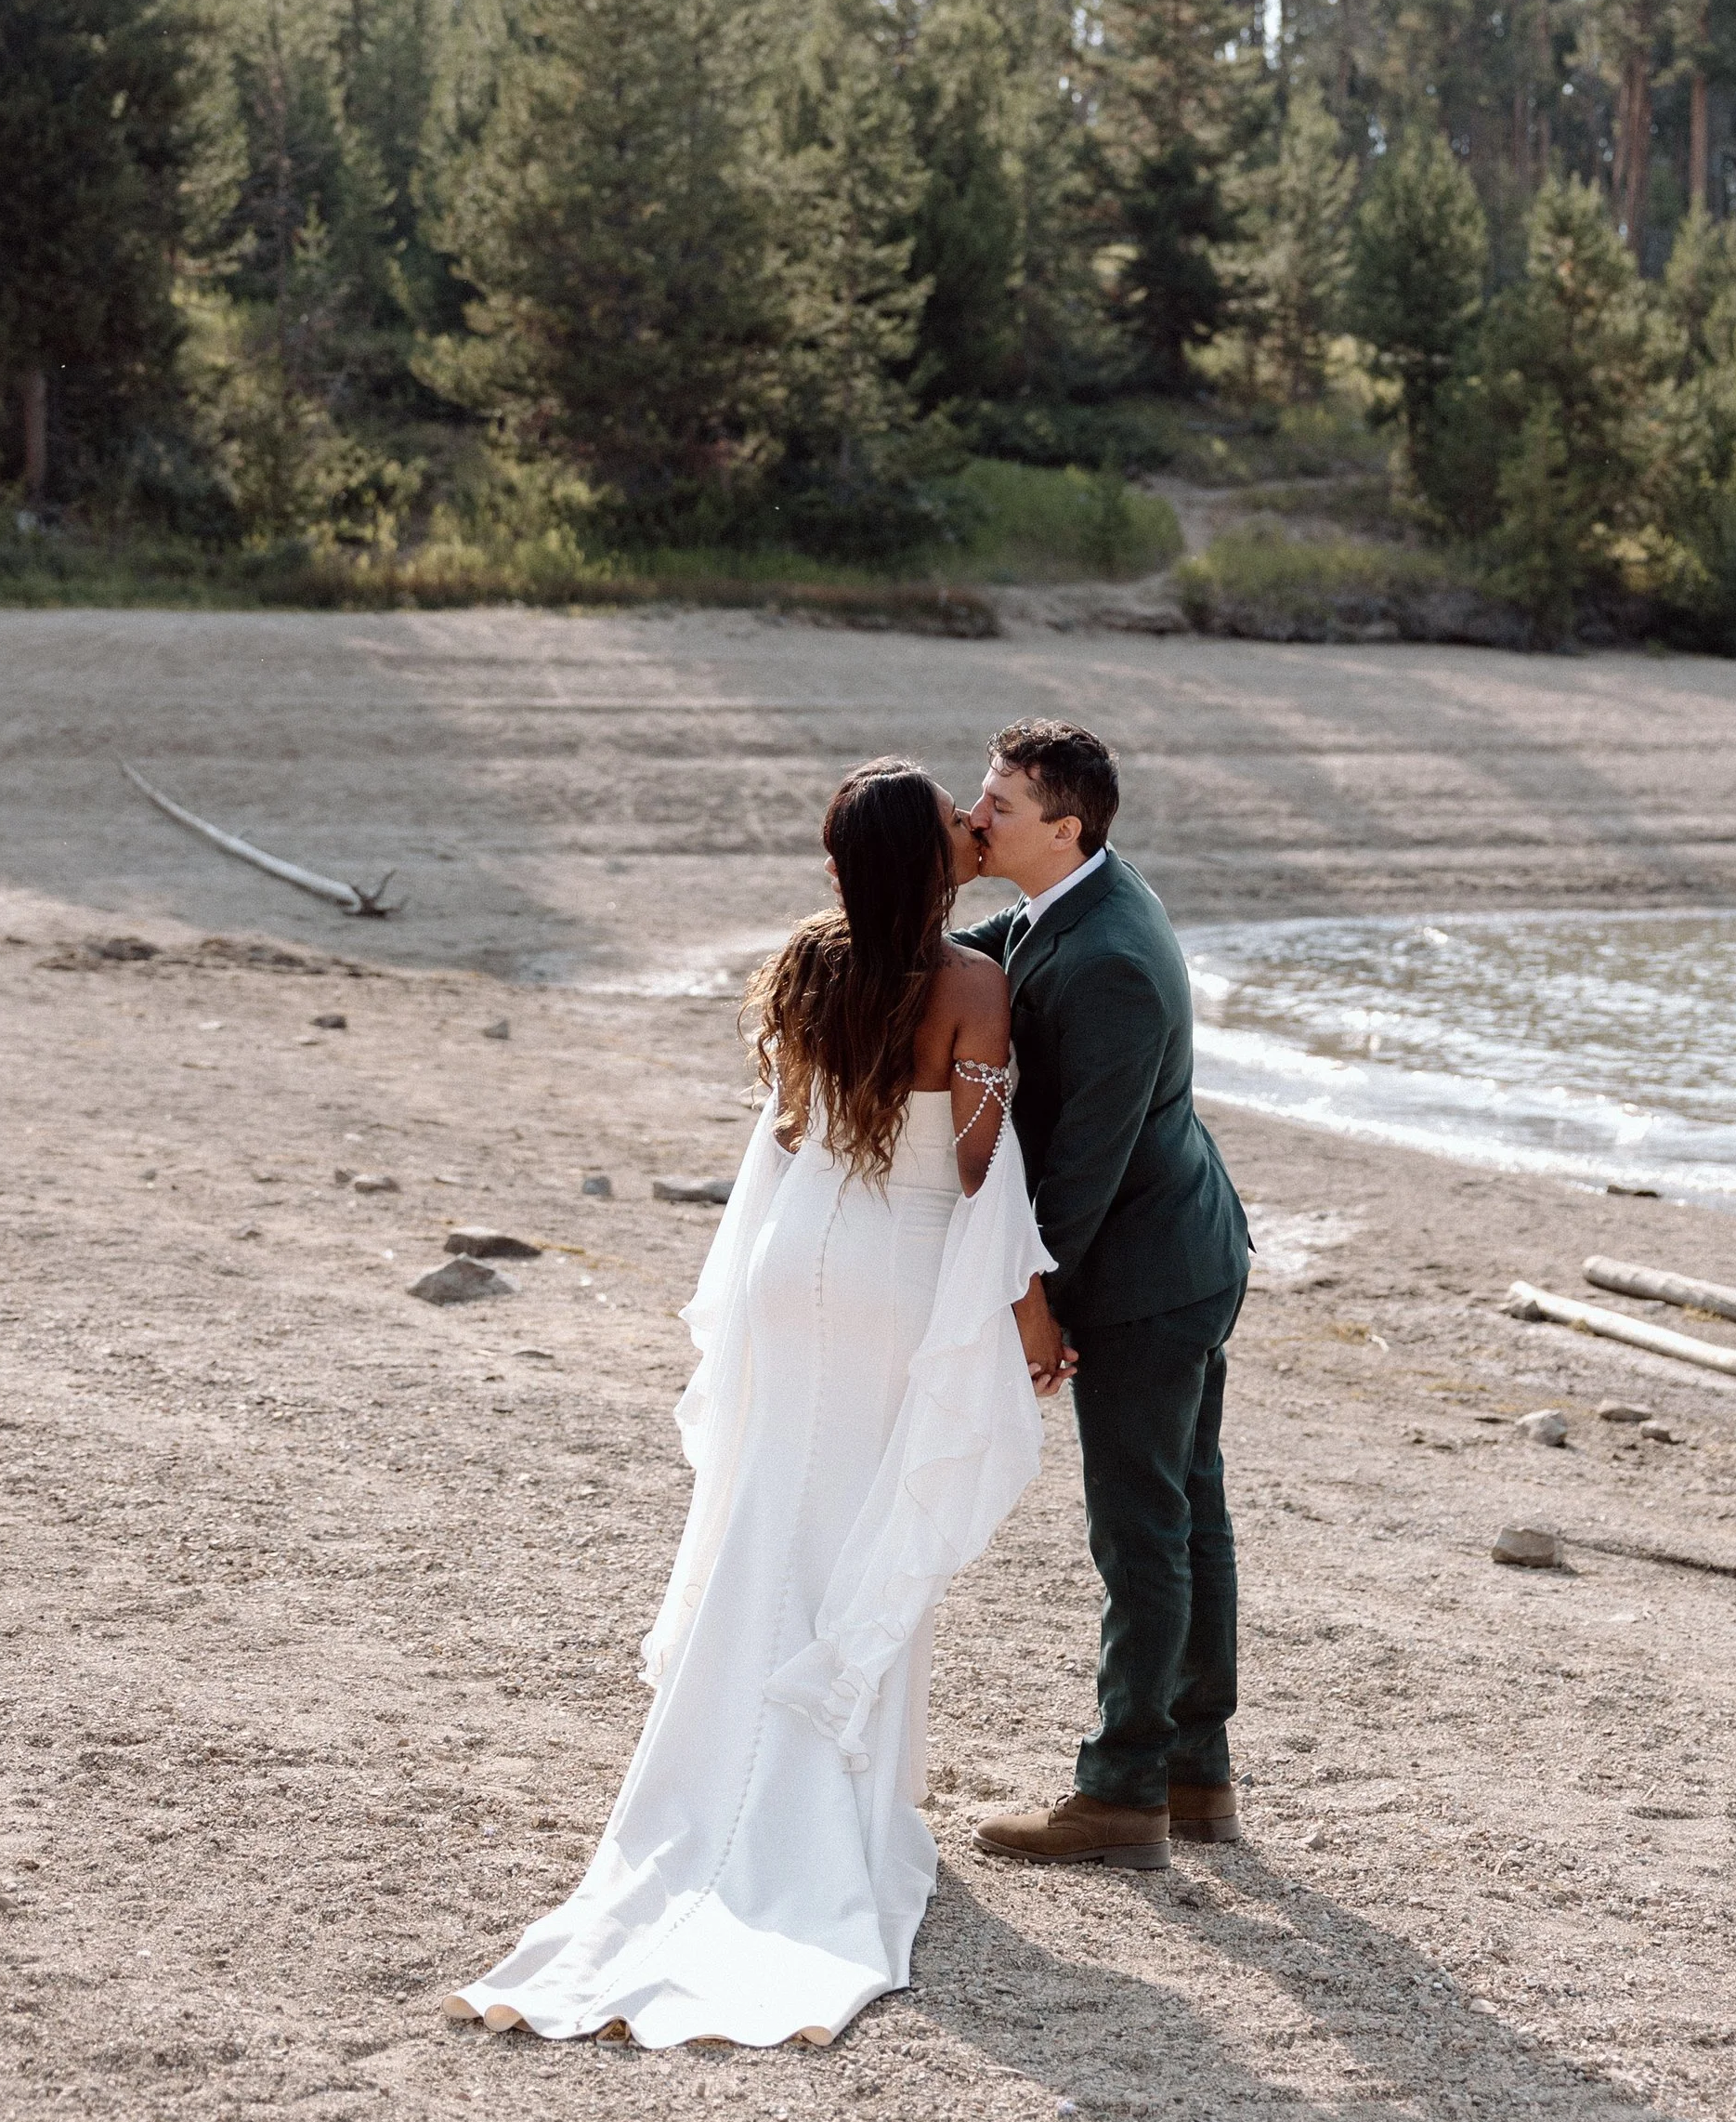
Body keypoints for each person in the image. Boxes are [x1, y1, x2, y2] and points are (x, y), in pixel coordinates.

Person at [444, 757, 1060, 2050]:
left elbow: (791, 1130)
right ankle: (830, 1811)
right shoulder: (971, 985)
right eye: (957, 815)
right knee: (853, 1529)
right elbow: (980, 1166)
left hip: (796, 1263)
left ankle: (731, 1782)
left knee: (770, 1518)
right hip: (893, 1273)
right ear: (926, 857)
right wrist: (1029, 1309)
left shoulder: (808, 966)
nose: (972, 823)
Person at [956, 718, 1251, 1870]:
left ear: (1064, 826)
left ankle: (1123, 1791)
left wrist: (1034, 1306)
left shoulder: (1114, 959)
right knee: (1184, 1512)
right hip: (1175, 1247)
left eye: (998, 808)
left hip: (1150, 1273)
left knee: (1144, 1529)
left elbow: (1082, 1172)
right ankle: (1194, 1775)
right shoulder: (1073, 900)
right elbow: (988, 958)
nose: (980, 820)